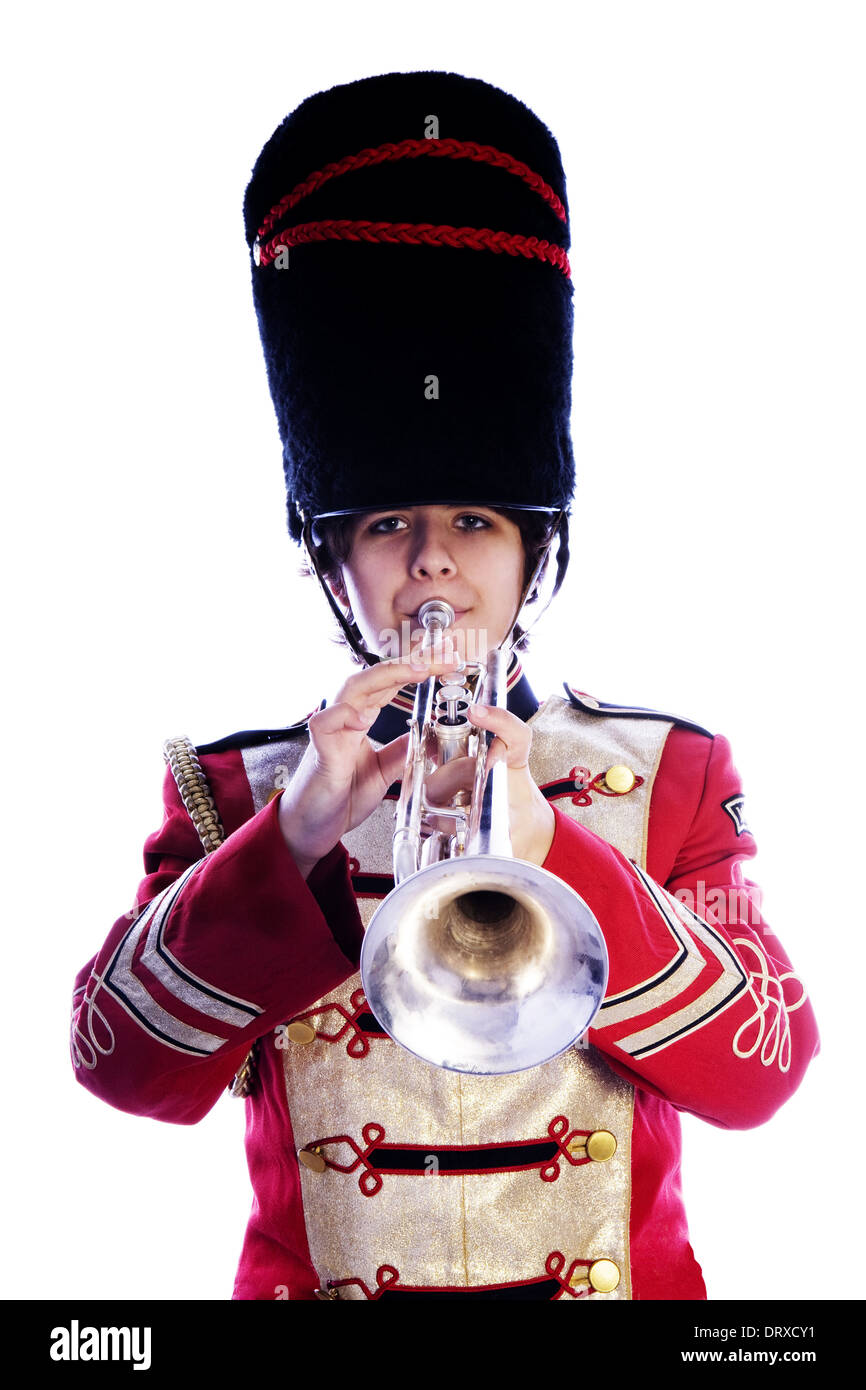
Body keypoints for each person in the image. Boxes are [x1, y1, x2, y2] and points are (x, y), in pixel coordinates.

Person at [70, 70, 818, 1301]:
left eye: (473, 518)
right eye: (385, 524)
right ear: (333, 559)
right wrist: (295, 828)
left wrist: (550, 845)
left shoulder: (669, 773)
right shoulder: (230, 792)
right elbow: (118, 1069)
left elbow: (765, 1067)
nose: (429, 561)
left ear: (533, 547)